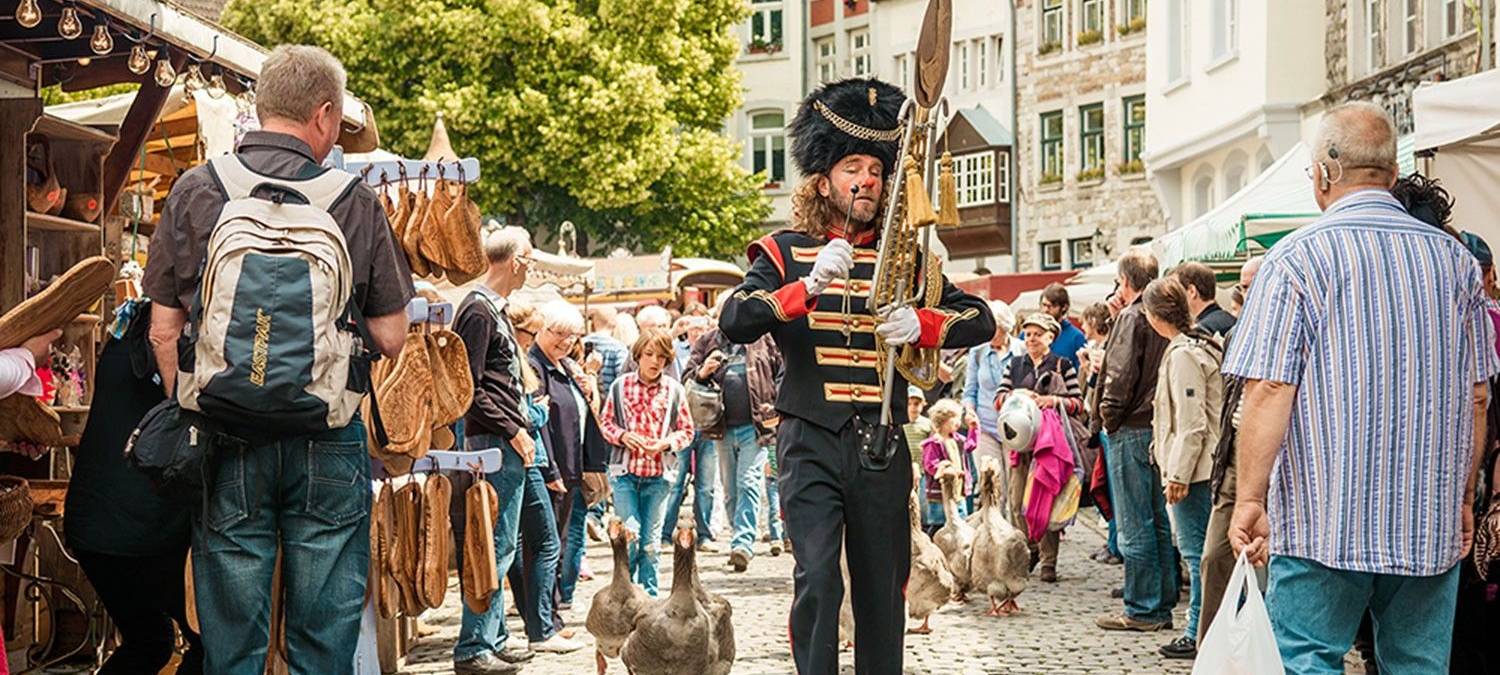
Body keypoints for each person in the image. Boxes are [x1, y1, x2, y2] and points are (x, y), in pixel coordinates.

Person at [143, 45, 412, 672]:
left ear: (261, 108)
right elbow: (394, 335)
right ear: (324, 114)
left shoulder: (196, 189)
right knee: (323, 636)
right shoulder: (353, 200)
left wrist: (195, 395)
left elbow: (161, 330)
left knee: (234, 639)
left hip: (225, 432)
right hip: (326, 432)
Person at [719, 77, 994, 674]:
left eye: (875, 168)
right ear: (824, 180)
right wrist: (806, 287)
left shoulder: (909, 259)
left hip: (882, 440)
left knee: (882, 588)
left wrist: (920, 324)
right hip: (809, 439)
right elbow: (736, 318)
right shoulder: (784, 251)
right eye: (851, 167)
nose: (866, 180)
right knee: (817, 579)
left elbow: (980, 318)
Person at [1226, 102, 1499, 673]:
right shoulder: (1454, 263)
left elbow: (1270, 387)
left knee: (1307, 659)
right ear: (1392, 174)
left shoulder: (1297, 259)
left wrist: (1251, 498)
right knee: (1418, 664)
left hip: (1326, 515)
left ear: (1324, 174)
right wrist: (1464, 494)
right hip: (1427, 514)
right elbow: (1478, 394)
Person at [450, 228, 579, 673]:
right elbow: (468, 387)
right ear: (516, 259)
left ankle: (493, 638)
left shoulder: (489, 309)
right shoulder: (479, 309)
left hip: (505, 441)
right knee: (495, 546)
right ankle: (473, 647)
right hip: (496, 443)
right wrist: (515, 430)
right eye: (529, 258)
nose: (531, 266)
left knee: (502, 544)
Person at [1091, 249, 1176, 633]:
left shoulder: (1132, 316)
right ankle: (1160, 600)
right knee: (1156, 519)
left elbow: (1121, 375)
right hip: (1155, 424)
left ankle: (1143, 607)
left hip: (1131, 425)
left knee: (1135, 522)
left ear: (1126, 282)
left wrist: (1108, 419)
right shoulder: (1159, 313)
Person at [1141, 278, 1224, 660]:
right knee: (1200, 554)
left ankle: (1197, 632)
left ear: (1155, 315)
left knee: (1197, 554)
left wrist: (1178, 474)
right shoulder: (1193, 347)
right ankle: (1204, 629)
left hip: (1196, 470)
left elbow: (1191, 422)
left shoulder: (1184, 354)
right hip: (1198, 466)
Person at [497, 300, 574, 655]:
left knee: (518, 545)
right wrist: (539, 413)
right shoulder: (520, 361)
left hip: (530, 459)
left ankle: (532, 626)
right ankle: (538, 627)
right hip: (527, 459)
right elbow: (522, 416)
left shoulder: (521, 361)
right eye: (536, 332)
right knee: (535, 544)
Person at [597, 329, 696, 595]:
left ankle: (649, 599)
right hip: (625, 473)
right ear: (638, 355)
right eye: (649, 355)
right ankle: (627, 595)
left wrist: (665, 444)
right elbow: (606, 423)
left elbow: (687, 430)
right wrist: (623, 436)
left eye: (662, 357)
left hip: (658, 476)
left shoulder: (674, 390)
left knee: (651, 544)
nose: (655, 362)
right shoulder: (621, 386)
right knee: (631, 534)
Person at [1196, 254, 1262, 644]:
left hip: (1275, 461)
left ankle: (1261, 651)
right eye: (1243, 287)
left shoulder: (1293, 327)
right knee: (1213, 557)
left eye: (1253, 285)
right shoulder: (1237, 334)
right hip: (1235, 459)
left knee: (1266, 565)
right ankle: (1211, 653)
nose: (1247, 293)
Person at [686, 315, 783, 573]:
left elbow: (782, 371)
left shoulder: (765, 339)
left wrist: (777, 407)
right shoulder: (708, 341)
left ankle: (743, 543)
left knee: (748, 481)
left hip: (756, 425)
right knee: (730, 489)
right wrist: (703, 371)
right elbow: (687, 376)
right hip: (721, 426)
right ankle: (738, 535)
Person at [530, 301, 611, 613]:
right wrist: (552, 469)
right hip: (554, 469)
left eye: (573, 336)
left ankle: (558, 604)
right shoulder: (536, 366)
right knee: (550, 544)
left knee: (567, 539)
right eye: (559, 334)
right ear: (542, 330)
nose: (566, 341)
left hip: (573, 467)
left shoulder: (564, 365)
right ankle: (546, 613)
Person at [994, 312, 1084, 583]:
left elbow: (1078, 403)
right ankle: (1028, 550)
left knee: (1047, 499)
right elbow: (998, 399)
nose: (1031, 339)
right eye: (1028, 334)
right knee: (1017, 499)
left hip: (1050, 446)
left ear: (1050, 337)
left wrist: (1051, 400)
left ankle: (1049, 560)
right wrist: (1015, 396)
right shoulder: (1015, 365)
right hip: (1019, 445)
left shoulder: (1062, 365)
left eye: (1037, 334)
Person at [1078, 302, 1122, 566]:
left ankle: (1116, 545)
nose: (1083, 327)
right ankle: (1113, 542)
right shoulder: (1097, 350)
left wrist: (1093, 370)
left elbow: (1095, 393)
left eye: (1085, 322)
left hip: (1109, 427)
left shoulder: (1107, 349)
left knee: (1111, 490)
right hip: (1103, 426)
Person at [963, 300, 1023, 473]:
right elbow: (970, 390)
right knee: (991, 483)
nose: (988, 333)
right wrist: (969, 411)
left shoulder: (1022, 351)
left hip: (1015, 426)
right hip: (985, 426)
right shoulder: (978, 351)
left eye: (993, 328)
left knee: (1015, 486)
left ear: (1005, 327)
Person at [919, 399, 971, 536]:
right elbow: (930, 464)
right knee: (939, 524)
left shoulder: (958, 440)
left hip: (958, 491)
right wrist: (945, 470)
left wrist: (975, 429)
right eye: (954, 419)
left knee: (960, 522)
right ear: (943, 421)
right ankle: (934, 545)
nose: (958, 423)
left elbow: (971, 445)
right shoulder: (934, 443)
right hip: (940, 493)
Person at [1172, 262, 1235, 338]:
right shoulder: (1233, 320)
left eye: (1176, 291)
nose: (1173, 297)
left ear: (1192, 291)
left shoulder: (1201, 331)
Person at [584, 307, 631, 396]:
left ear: (594, 322)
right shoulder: (618, 348)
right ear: (614, 323)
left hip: (586, 398)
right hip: (609, 400)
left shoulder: (581, 343)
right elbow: (622, 378)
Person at [1040, 283, 1088, 369]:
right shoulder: (1030, 333)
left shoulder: (1076, 337)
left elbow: (1082, 373)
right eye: (1044, 305)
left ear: (1064, 307)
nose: (1046, 310)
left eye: (1051, 306)